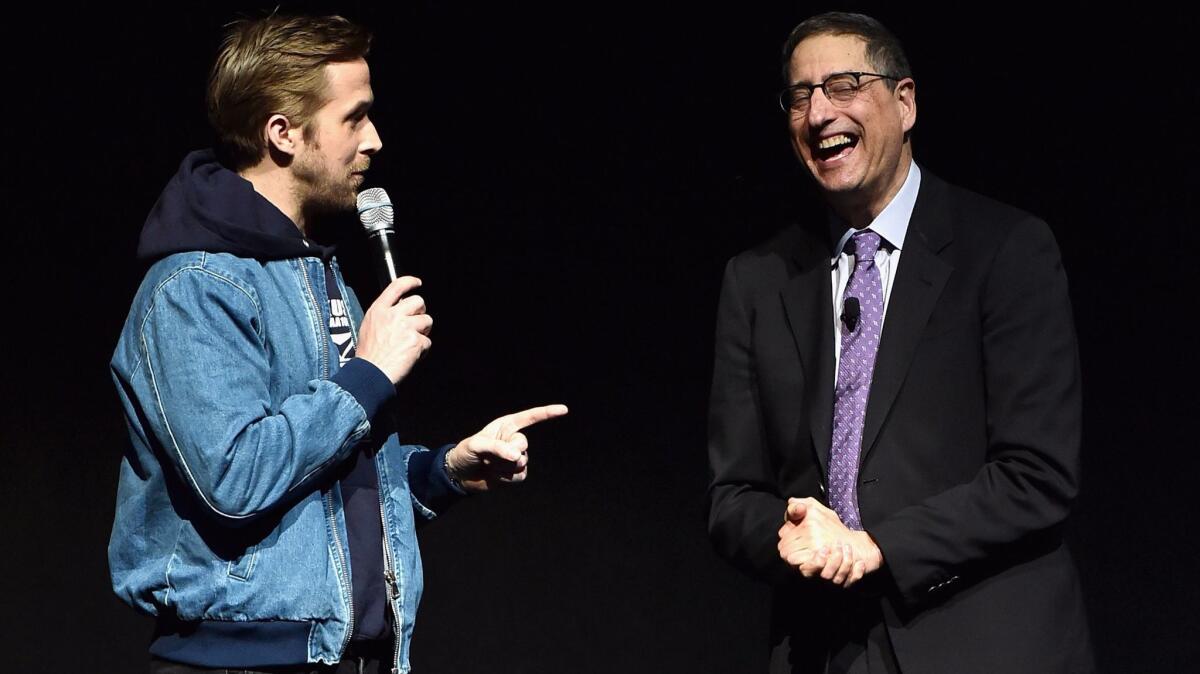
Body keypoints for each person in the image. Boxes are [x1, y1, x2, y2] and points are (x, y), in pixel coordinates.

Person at [108, 13, 566, 673]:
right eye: (355, 118)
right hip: (241, 663)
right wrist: (369, 373)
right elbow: (236, 479)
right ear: (282, 134)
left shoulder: (317, 274)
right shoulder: (194, 286)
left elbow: (330, 486)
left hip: (353, 658)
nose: (375, 139)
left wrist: (445, 470)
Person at [706, 12, 1092, 673]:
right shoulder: (759, 280)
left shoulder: (1004, 250)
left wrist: (877, 545)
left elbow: (1038, 475)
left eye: (844, 85)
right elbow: (732, 496)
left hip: (987, 644)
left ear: (905, 102)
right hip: (826, 650)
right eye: (800, 95)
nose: (819, 112)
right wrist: (796, 538)